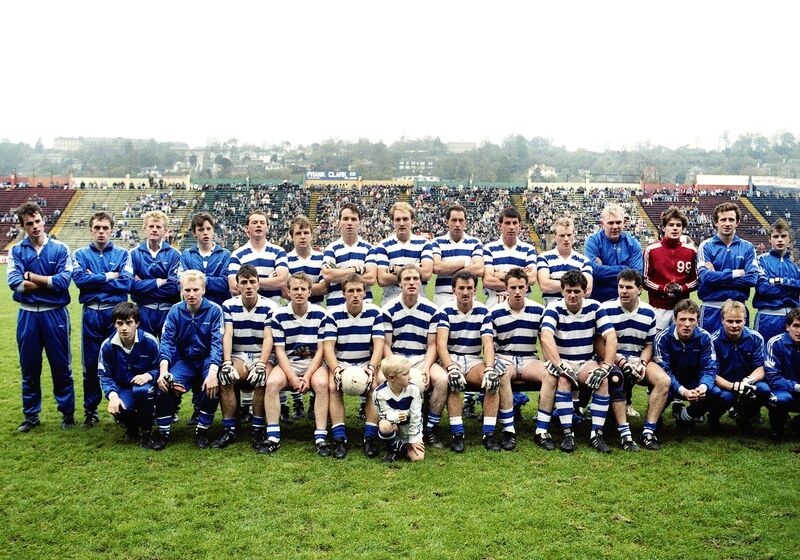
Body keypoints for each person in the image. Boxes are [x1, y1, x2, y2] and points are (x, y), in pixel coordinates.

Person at [8, 202, 76, 432]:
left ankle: (67, 414)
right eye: (29, 224)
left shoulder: (60, 249)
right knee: (29, 367)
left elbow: (63, 282)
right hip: (27, 316)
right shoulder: (17, 251)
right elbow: (15, 284)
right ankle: (31, 416)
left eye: (37, 221)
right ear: (23, 227)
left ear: (43, 220)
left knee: (61, 366)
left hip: (54, 315)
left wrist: (32, 276)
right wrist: (47, 281)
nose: (35, 226)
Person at [540, 270, 618, 453]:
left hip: (585, 360)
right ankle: (568, 433)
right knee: (564, 379)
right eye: (569, 291)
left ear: (584, 291)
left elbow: (611, 336)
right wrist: (559, 365)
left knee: (602, 380)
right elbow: (546, 337)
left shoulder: (595, 307)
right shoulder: (554, 308)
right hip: (563, 360)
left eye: (577, 291)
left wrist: (606, 366)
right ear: (562, 291)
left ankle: (596, 435)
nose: (573, 295)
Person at [599, 270, 671, 450]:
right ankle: (623, 432)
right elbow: (599, 344)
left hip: (638, 359)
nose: (623, 291)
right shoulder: (606, 309)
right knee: (616, 377)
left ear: (639, 289)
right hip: (613, 359)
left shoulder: (648, 312)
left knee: (664, 380)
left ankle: (649, 431)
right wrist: (621, 362)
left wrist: (642, 363)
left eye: (629, 287)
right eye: (621, 287)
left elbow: (649, 345)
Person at [72, 211, 132, 427]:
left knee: (118, 362)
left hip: (115, 314)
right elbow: (80, 280)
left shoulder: (123, 254)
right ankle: (91, 410)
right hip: (91, 313)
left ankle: (121, 409)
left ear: (112, 230)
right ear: (90, 230)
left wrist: (94, 280)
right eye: (97, 228)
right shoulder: (80, 254)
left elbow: (125, 283)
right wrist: (109, 276)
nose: (101, 232)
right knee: (90, 365)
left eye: (105, 228)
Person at [152, 271, 224, 450]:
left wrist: (213, 372)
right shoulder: (175, 311)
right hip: (185, 361)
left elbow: (217, 343)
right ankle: (164, 432)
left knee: (212, 385)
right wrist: (163, 371)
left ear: (204, 290)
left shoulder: (215, 310)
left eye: (195, 290)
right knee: (164, 385)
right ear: (181, 291)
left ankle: (202, 431)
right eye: (187, 290)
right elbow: (166, 342)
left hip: (207, 359)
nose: (191, 294)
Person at [262, 273, 331, 456]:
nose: (299, 292)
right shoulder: (278, 315)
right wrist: (292, 378)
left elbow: (321, 351)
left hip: (313, 363)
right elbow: (280, 351)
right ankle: (273, 435)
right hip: (289, 363)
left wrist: (307, 376)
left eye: (303, 289)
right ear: (288, 292)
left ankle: (321, 436)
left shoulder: (321, 314)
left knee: (323, 384)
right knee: (272, 383)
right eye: (295, 289)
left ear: (310, 291)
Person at [382, 264, 449, 448]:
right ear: (400, 283)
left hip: (421, 359)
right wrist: (395, 367)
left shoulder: (432, 310)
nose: (411, 282)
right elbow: (386, 345)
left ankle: (430, 428)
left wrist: (427, 367)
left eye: (415, 279)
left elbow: (432, 345)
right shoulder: (388, 309)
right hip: (396, 359)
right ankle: (389, 426)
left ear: (421, 282)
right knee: (379, 380)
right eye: (407, 279)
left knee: (443, 379)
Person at [212, 265, 277, 450]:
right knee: (225, 378)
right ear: (238, 286)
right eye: (244, 282)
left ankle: (258, 429)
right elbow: (228, 335)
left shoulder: (270, 306)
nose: (248, 286)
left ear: (258, 284)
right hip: (239, 355)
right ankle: (229, 429)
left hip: (260, 355)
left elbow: (268, 338)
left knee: (260, 377)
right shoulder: (229, 305)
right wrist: (226, 363)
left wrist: (262, 364)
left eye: (252, 282)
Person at [489, 267, 553, 451]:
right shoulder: (494, 312)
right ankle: (509, 430)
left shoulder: (539, 310)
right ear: (506, 289)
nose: (517, 291)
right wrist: (493, 363)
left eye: (521, 287)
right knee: (501, 375)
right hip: (505, 357)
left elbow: (545, 340)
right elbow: (490, 345)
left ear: (527, 288)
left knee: (550, 375)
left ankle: (541, 430)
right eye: (513, 287)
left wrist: (549, 361)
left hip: (528, 358)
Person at [323, 273, 385, 459]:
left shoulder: (375, 313)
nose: (355, 294)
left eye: (359, 290)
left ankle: (370, 437)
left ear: (365, 293)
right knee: (333, 387)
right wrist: (336, 370)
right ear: (344, 294)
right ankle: (339, 438)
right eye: (351, 291)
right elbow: (328, 348)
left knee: (374, 386)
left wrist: (372, 368)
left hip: (365, 362)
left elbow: (379, 344)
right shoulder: (333, 315)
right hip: (342, 362)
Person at [437, 270, 500, 452]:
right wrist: (450, 367)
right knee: (453, 382)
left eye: (469, 288)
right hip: (452, 357)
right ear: (453, 290)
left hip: (473, 359)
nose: (465, 292)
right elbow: (441, 344)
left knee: (493, 382)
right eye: (461, 288)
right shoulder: (445, 311)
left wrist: (489, 368)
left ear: (475, 290)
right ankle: (458, 434)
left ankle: (488, 433)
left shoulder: (483, 311)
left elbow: (488, 344)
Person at [283, 215, 328, 421]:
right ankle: (296, 401)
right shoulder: (286, 259)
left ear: (312, 235)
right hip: (292, 313)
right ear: (291, 236)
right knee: (292, 354)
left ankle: (312, 401)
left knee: (312, 355)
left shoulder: (321, 257)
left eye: (306, 232)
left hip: (316, 310)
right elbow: (285, 290)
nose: (302, 236)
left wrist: (301, 289)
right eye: (298, 233)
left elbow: (324, 287)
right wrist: (309, 288)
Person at [97, 302, 159, 448]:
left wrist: (149, 376)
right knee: (118, 406)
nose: (124, 328)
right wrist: (112, 396)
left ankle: (146, 432)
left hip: (146, 386)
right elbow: (104, 375)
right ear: (114, 324)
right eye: (120, 323)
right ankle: (132, 427)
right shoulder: (107, 346)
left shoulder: (150, 341)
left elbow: (160, 367)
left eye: (129, 323)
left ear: (137, 323)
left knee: (142, 391)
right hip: (123, 388)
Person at [653, 299, 719, 432]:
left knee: (715, 393)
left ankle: (685, 417)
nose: (687, 324)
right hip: (670, 381)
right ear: (674, 320)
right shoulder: (662, 338)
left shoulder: (705, 337)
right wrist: (682, 390)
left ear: (698, 321)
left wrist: (702, 387)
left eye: (691, 320)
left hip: (694, 382)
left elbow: (709, 368)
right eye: (682, 319)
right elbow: (664, 371)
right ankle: (655, 418)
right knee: (661, 385)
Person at [709, 300, 770, 434]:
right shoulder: (712, 340)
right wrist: (732, 386)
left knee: (764, 389)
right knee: (723, 396)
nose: (735, 325)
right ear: (722, 320)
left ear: (745, 320)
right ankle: (713, 417)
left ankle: (744, 416)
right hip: (723, 384)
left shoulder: (756, 338)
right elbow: (711, 372)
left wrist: (748, 381)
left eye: (739, 321)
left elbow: (760, 367)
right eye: (730, 321)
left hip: (747, 381)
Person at [697, 202, 758, 334]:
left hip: (738, 310)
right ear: (715, 222)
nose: (727, 223)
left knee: (739, 351)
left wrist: (717, 276)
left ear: (737, 222)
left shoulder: (747, 247)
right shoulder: (706, 246)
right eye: (723, 219)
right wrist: (736, 273)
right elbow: (705, 277)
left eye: (731, 219)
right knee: (709, 350)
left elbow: (752, 279)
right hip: (712, 309)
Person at [643, 206, 698, 332]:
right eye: (671, 224)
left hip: (683, 309)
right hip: (658, 308)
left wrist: (682, 288)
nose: (675, 228)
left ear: (683, 228)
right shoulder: (651, 250)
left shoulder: (691, 251)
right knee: (657, 344)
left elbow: (697, 279)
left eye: (678, 225)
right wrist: (663, 289)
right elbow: (645, 280)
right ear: (663, 228)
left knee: (681, 344)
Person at [369, 201, 434, 305]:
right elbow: (382, 280)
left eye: (405, 219)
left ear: (412, 220)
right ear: (392, 222)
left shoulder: (424, 244)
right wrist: (414, 269)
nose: (402, 223)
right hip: (391, 303)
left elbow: (426, 274)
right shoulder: (383, 246)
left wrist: (396, 270)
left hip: (419, 303)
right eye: (398, 219)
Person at [129, 210, 181, 337]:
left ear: (165, 231)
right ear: (145, 229)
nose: (154, 229)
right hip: (143, 311)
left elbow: (174, 287)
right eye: (151, 226)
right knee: (146, 352)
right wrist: (160, 281)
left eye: (158, 227)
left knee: (168, 351)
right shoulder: (133, 254)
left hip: (169, 311)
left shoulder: (175, 254)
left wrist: (143, 284)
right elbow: (131, 286)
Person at [584, 203, 643, 303]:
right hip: (599, 300)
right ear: (602, 224)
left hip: (625, 301)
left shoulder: (633, 243)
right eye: (610, 223)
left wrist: (603, 269)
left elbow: (636, 275)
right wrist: (625, 268)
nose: (615, 226)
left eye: (618, 222)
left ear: (624, 222)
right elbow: (595, 270)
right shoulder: (592, 241)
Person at [753, 219, 800, 344]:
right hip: (768, 318)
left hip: (793, 320)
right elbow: (763, 288)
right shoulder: (761, 260)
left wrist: (780, 281)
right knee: (764, 356)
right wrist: (792, 288)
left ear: (789, 239)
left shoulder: (796, 263)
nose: (780, 239)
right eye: (776, 236)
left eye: (783, 236)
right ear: (769, 239)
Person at [228, 210, 289, 305]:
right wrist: (270, 282)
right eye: (254, 222)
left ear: (267, 228)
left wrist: (246, 283)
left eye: (262, 222)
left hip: (273, 309)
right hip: (247, 309)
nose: (259, 225)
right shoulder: (237, 255)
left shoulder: (278, 252)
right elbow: (234, 288)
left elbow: (282, 281)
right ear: (247, 228)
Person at [321, 203, 376, 308]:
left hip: (364, 308)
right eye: (345, 219)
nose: (349, 223)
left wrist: (338, 273)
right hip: (335, 308)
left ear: (359, 223)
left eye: (353, 219)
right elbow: (328, 275)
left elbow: (371, 278)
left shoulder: (369, 248)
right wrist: (355, 270)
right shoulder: (331, 248)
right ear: (339, 222)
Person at [482, 207, 537, 307]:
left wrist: (499, 274)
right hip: (495, 301)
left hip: (521, 303)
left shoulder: (528, 249)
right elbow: (487, 280)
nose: (511, 227)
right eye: (507, 223)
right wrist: (520, 276)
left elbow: (532, 279)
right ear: (500, 226)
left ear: (519, 226)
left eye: (514, 223)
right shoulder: (489, 248)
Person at [431, 204, 484, 308]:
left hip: (467, 296)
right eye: (454, 220)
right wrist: (464, 263)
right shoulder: (437, 242)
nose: (457, 224)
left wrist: (449, 268)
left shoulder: (475, 242)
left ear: (465, 223)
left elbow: (479, 269)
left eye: (461, 220)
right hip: (443, 297)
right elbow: (437, 267)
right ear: (447, 222)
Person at [374, 355, 425, 462]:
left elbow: (416, 416)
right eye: (405, 374)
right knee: (384, 425)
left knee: (418, 458)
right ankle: (391, 449)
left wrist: (413, 439)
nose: (410, 377)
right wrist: (396, 416)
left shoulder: (414, 390)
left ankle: (401, 447)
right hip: (394, 426)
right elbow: (383, 415)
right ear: (391, 378)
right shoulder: (379, 393)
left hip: (410, 428)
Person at [537, 216, 593, 307]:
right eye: (562, 235)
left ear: (574, 235)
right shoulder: (544, 258)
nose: (566, 239)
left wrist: (555, 284)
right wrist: (577, 286)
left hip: (576, 313)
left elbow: (588, 289)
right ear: (554, 236)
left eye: (569, 235)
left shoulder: (584, 260)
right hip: (552, 312)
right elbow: (545, 286)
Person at [179, 212, 231, 306]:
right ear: (194, 233)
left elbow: (223, 284)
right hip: (193, 309)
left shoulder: (224, 254)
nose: (205, 233)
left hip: (219, 307)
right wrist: (211, 281)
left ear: (213, 231)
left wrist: (198, 280)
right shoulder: (187, 255)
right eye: (201, 229)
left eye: (208, 229)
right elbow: (183, 282)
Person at [764, 307, 800, 439]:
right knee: (781, 400)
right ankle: (777, 429)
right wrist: (796, 387)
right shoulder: (775, 343)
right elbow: (773, 378)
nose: (799, 331)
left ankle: (796, 423)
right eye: (796, 326)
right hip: (782, 390)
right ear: (787, 327)